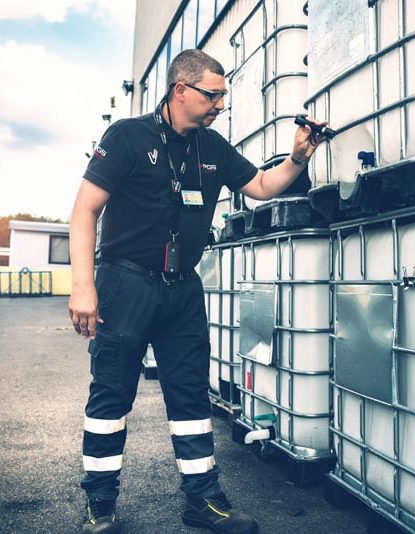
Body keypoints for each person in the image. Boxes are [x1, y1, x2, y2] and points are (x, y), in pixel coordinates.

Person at [68, 48, 326, 534]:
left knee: (189, 397)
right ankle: (99, 504)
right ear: (180, 90)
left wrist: (298, 156)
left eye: (223, 96)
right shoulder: (127, 137)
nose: (220, 105)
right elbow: (84, 210)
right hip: (124, 284)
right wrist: (83, 285)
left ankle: (203, 502)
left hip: (182, 290)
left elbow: (264, 187)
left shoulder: (213, 147)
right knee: (111, 395)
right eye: (213, 95)